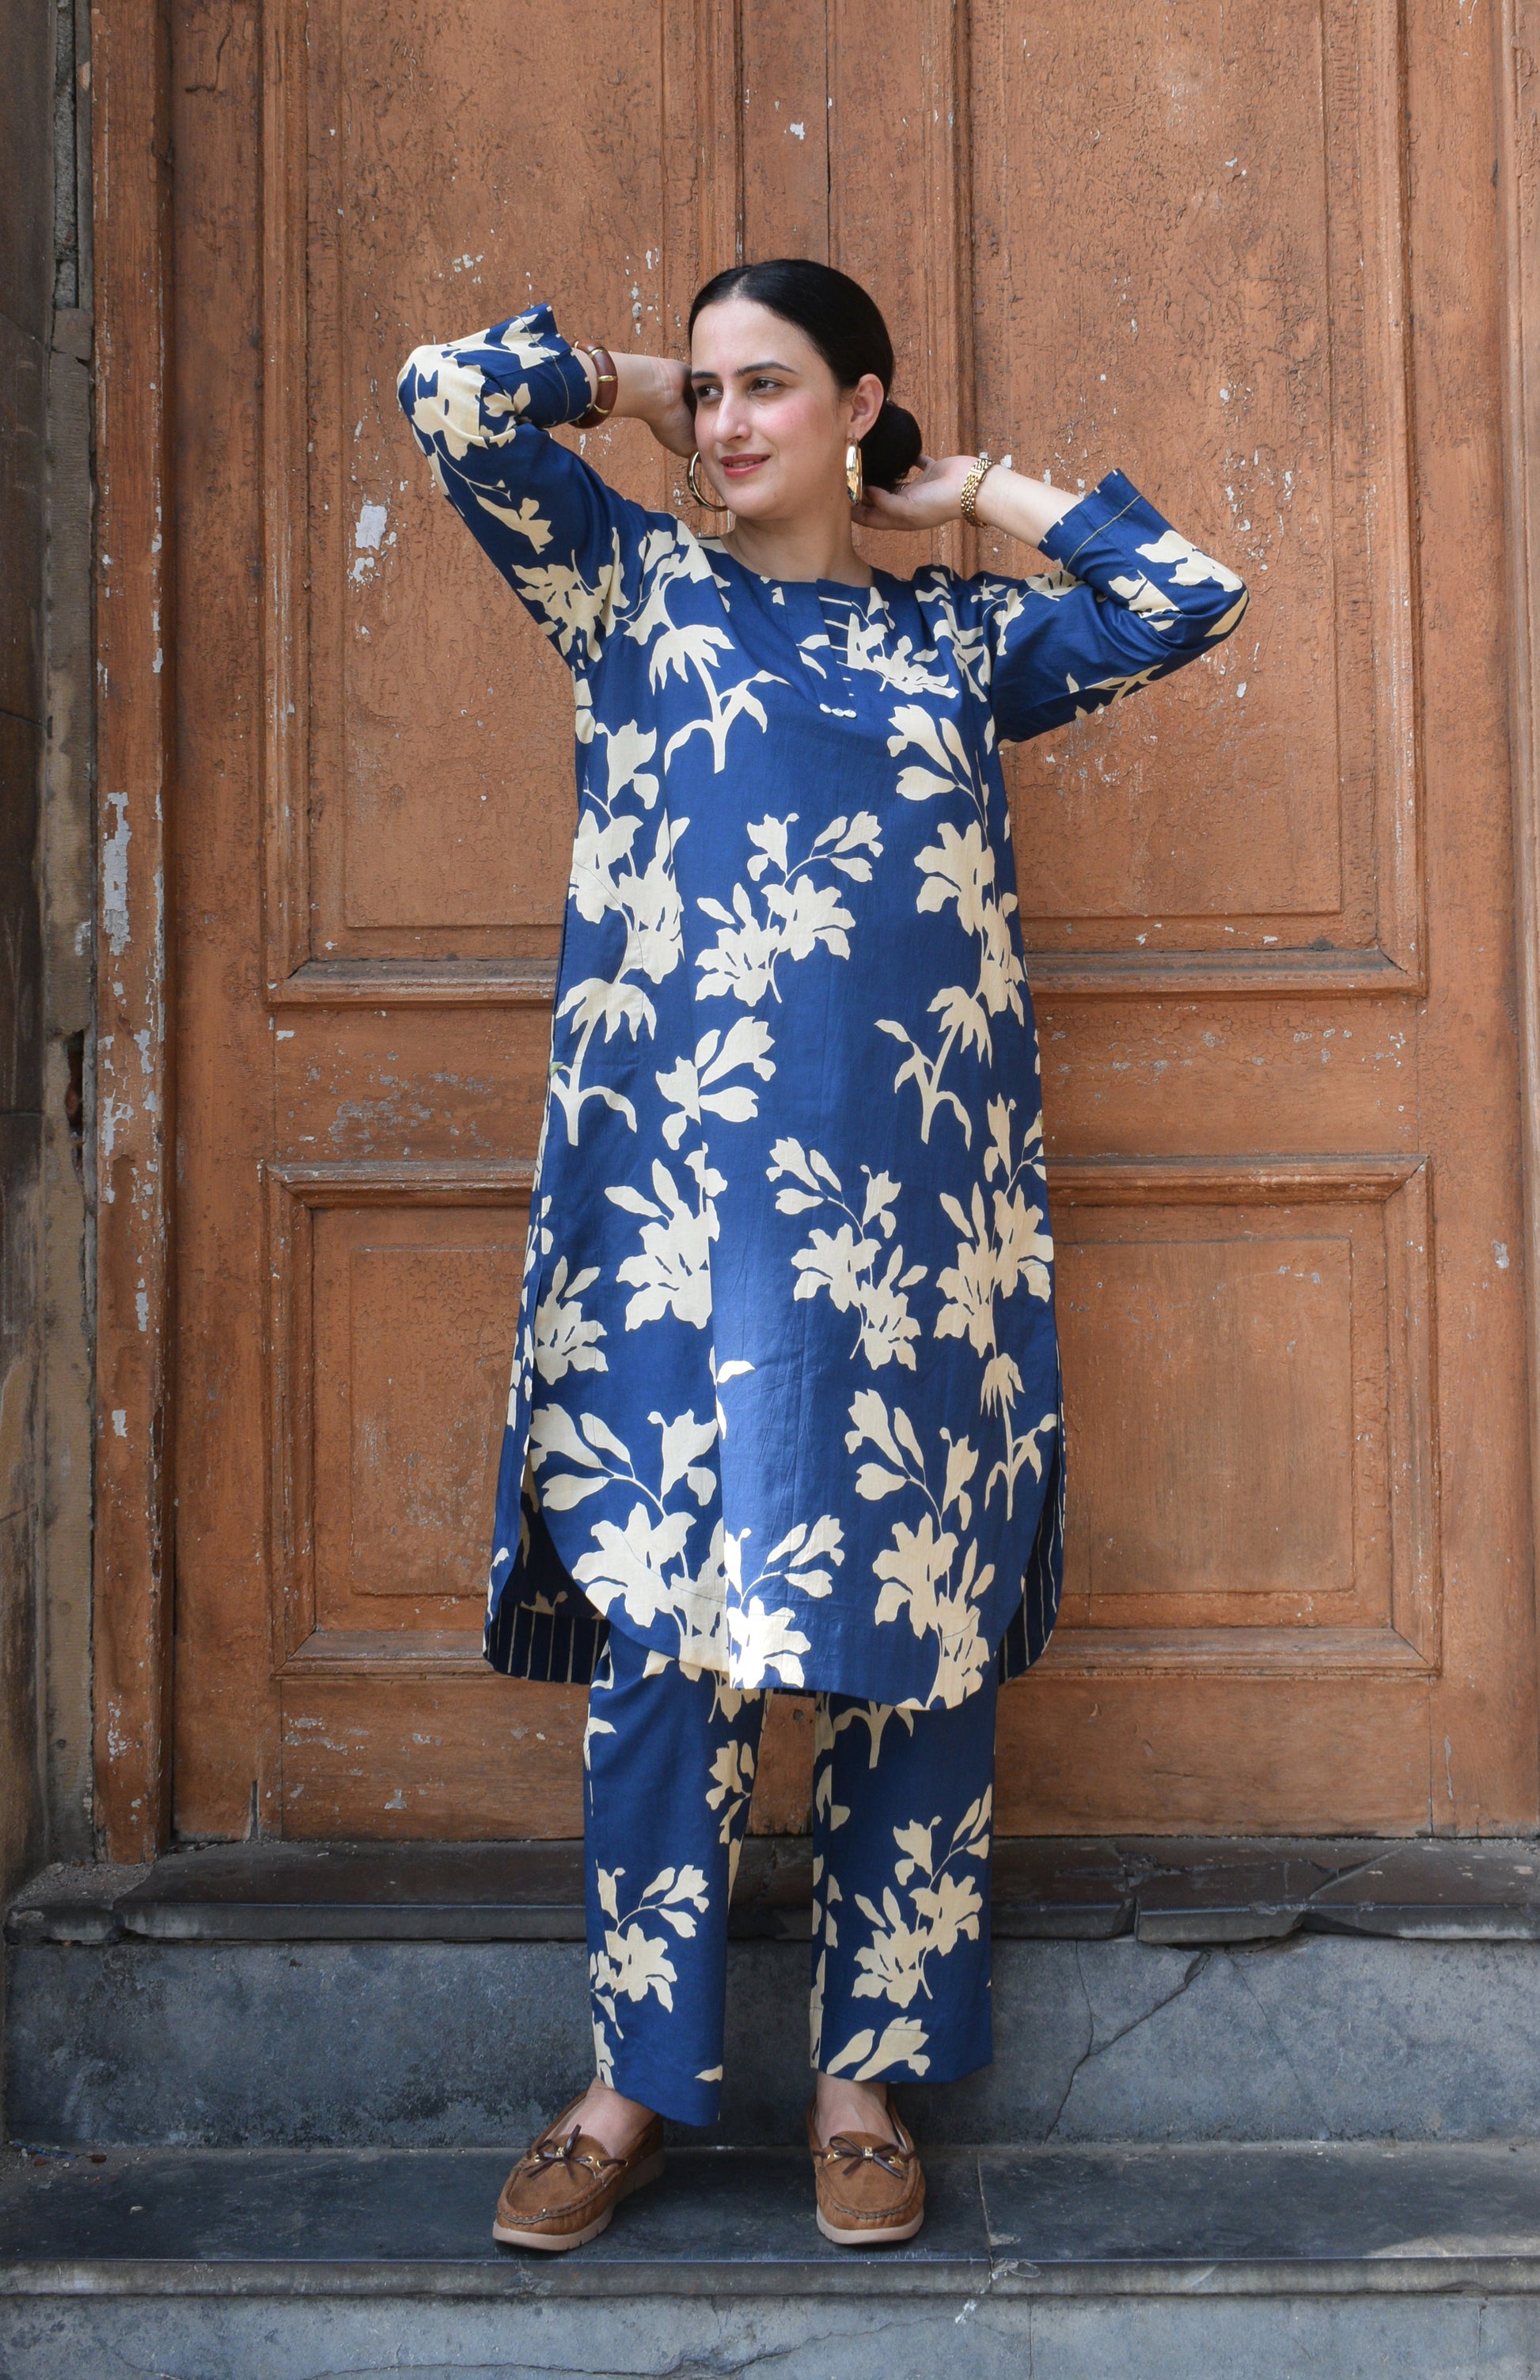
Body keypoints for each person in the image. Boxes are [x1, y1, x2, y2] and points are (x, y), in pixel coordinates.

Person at [398, 257, 1246, 2252]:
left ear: (859, 403)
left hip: (916, 1242)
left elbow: (1184, 596)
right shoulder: (633, 593)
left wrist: (974, 498)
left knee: (907, 1652)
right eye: (708, 394)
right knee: (661, 1659)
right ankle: (626, 2086)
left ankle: (865, 2086)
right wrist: (623, 378)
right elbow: (449, 397)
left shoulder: (958, 640)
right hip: (676, 1237)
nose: (724, 427)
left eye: (767, 386)